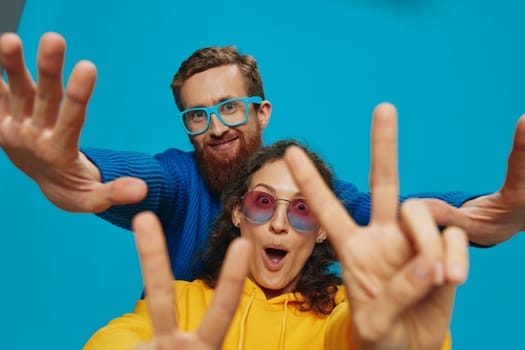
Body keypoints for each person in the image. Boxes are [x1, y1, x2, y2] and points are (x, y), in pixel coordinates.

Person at [0, 32, 523, 282]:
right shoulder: (181, 182)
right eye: (197, 116)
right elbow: (146, 178)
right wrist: (76, 169)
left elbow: (397, 214)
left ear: (262, 110)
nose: (216, 127)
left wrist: (485, 215)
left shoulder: (308, 191)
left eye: (229, 107)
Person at [84, 110, 469, 349]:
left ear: (320, 230)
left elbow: (361, 337)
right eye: (263, 203)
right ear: (237, 213)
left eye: (302, 209)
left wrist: (390, 342)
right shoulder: (182, 303)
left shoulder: (347, 311)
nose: (280, 224)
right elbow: (124, 336)